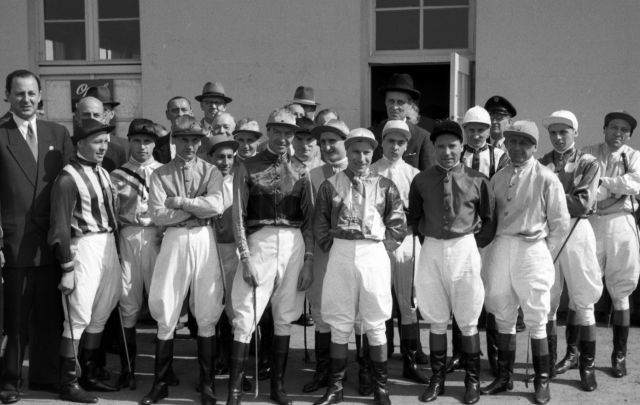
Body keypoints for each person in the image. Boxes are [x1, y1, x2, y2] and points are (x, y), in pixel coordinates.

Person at [227, 108, 314, 405]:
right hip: (259, 241)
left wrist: (309, 260)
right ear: (268, 131)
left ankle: (277, 387)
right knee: (245, 314)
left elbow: (310, 219)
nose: (282, 137)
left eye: (288, 133)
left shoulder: (302, 170)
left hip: (293, 243)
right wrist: (245, 256)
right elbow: (237, 215)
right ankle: (235, 390)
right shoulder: (247, 166)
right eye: (277, 131)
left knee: (285, 315)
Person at [313, 128, 406, 405]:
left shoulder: (386, 185)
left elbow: (398, 224)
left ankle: (381, 389)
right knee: (340, 321)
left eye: (366, 152)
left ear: (373, 152)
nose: (361, 157)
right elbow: (319, 224)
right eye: (355, 151)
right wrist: (336, 247)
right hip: (341, 251)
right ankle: (336, 388)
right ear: (347, 150)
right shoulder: (330, 184)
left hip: (373, 252)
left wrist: (381, 247)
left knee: (376, 322)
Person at [480, 121, 569, 405]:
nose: (517, 147)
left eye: (524, 142)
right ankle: (504, 377)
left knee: (536, 314)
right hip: (501, 247)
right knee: (501, 309)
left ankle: (542, 379)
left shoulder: (546, 177)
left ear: (534, 146)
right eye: (512, 141)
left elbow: (559, 223)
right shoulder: (497, 177)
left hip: (532, 247)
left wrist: (544, 252)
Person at [140, 116, 225, 405]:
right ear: (174, 140)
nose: (190, 145)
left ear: (200, 142)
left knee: (207, 306)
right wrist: (196, 208)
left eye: (195, 139)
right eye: (184, 139)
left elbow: (216, 205)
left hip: (204, 239)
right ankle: (160, 383)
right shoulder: (160, 174)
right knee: (166, 305)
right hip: (174, 238)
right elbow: (157, 214)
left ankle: (207, 383)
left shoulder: (211, 170)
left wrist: (181, 202)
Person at [409, 120, 496, 404]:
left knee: (468, 319)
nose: (447, 152)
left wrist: (471, 245)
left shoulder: (477, 179)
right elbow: (415, 218)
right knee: (435, 318)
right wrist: (432, 242)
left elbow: (489, 220)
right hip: (432, 248)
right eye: (441, 146)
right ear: (434, 148)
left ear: (462, 147)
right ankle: (437, 379)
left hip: (465, 247)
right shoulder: (421, 180)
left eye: (452, 146)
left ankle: (472, 380)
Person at [0, 69, 73, 404]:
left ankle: (43, 377)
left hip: (51, 242)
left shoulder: (57, 132)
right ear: (7, 96)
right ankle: (11, 380)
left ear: (41, 96)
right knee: (16, 317)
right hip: (15, 242)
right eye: (19, 94)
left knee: (48, 315)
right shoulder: (0, 134)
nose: (26, 100)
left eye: (31, 93)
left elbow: (71, 187)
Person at [49, 118, 123, 403]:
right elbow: (58, 228)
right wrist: (67, 268)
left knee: (103, 308)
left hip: (107, 244)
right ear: (80, 144)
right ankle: (68, 382)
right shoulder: (67, 177)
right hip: (85, 247)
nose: (103, 147)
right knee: (77, 316)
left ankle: (89, 372)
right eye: (97, 142)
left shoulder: (104, 173)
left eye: (105, 141)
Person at [539, 110, 602, 391]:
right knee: (547, 299)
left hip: (578, 232)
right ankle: (549, 362)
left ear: (575, 133)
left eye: (564, 132)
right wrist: (564, 198)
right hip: (549, 234)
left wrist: (550, 199)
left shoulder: (589, 162)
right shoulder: (541, 163)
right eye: (553, 132)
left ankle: (586, 366)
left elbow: (583, 204)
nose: (558, 137)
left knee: (583, 299)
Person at [583, 110, 640, 379]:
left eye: (624, 130)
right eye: (613, 128)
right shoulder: (589, 152)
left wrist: (604, 182)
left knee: (621, 289)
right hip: (592, 223)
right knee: (586, 286)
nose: (618, 133)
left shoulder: (634, 156)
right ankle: (584, 358)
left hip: (621, 223)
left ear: (629, 135)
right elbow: (584, 184)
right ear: (604, 129)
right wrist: (615, 189)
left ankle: (619, 356)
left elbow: (636, 183)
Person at [371, 120, 427, 385]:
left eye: (401, 142)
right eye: (391, 141)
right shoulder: (370, 172)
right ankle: (374, 362)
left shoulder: (415, 174)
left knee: (408, 302)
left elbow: (419, 213)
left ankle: (410, 360)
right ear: (382, 142)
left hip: (406, 241)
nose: (395, 147)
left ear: (407, 145)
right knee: (377, 301)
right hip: (378, 242)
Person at [110, 119, 164, 390]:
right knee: (127, 302)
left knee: (161, 303)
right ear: (129, 141)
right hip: (129, 235)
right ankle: (127, 368)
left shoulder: (165, 173)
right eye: (137, 140)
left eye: (147, 141)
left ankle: (163, 371)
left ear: (155, 144)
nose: (142, 146)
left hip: (157, 237)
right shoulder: (117, 175)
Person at [456, 105, 508, 376]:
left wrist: (488, 229)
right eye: (471, 130)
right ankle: (462, 353)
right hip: (463, 233)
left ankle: (496, 356)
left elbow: (500, 195)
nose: (476, 135)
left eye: (481, 130)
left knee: (491, 290)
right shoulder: (457, 153)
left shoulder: (500, 156)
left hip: (491, 231)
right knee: (463, 288)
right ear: (464, 131)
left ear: (489, 131)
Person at [301, 119, 350, 394]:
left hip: (350, 252)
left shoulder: (359, 173)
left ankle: (358, 371)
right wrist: (309, 257)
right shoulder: (312, 176)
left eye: (334, 140)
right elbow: (308, 222)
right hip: (321, 253)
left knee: (353, 312)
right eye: (323, 142)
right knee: (320, 310)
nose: (328, 146)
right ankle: (323, 371)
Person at [371, 73, 435, 171]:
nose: (395, 107)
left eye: (400, 102)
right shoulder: (372, 134)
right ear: (385, 102)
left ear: (410, 104)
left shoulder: (423, 138)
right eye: (391, 101)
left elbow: (428, 178)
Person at [86, 86, 129, 172]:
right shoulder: (75, 145)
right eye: (94, 111)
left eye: (104, 110)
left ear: (112, 114)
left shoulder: (126, 146)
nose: (99, 115)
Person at [154, 96, 194, 164]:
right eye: (175, 110)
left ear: (191, 113)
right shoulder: (156, 146)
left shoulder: (204, 142)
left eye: (184, 110)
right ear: (167, 114)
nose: (180, 114)